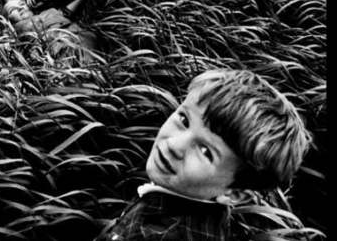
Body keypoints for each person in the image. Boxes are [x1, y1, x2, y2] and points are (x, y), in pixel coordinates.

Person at [96, 69, 312, 241]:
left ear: (235, 195)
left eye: (205, 151)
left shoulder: (160, 235)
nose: (174, 145)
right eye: (184, 120)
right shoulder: (181, 197)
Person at [2, 0, 100, 64]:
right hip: (58, 59)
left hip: (85, 46)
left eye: (21, 4)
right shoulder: (12, 31)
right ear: (7, 20)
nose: (19, 8)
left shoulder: (52, 11)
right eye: (12, 10)